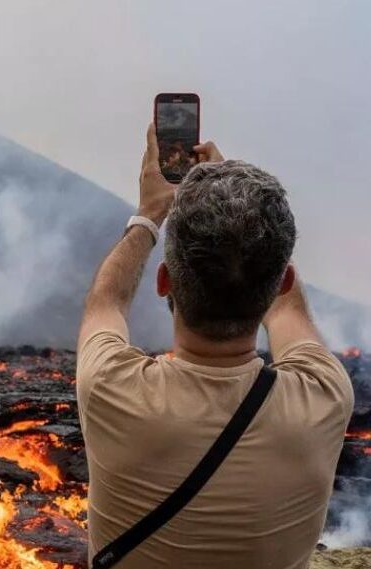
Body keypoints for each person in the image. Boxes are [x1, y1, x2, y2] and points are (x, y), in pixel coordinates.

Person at [76, 124, 354, 568]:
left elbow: (106, 300)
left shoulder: (110, 387)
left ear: (164, 281)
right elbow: (289, 312)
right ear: (279, 281)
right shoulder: (324, 393)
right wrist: (245, 217)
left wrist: (150, 213)